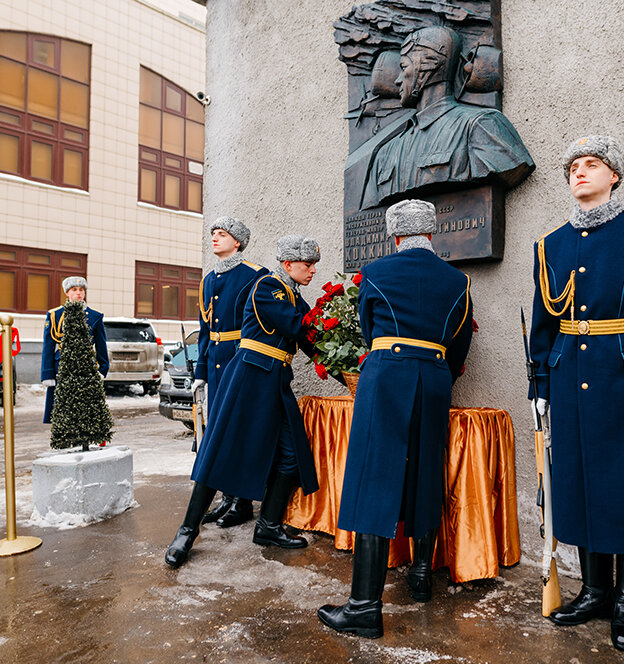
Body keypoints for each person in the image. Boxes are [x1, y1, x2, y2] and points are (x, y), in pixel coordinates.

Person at [528, 135, 624, 651]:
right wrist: (540, 385)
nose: (579, 172)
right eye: (572, 166)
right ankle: (593, 590)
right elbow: (546, 324)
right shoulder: (549, 243)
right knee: (580, 481)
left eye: (591, 165)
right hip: (570, 377)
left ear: (613, 175)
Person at [318, 199, 473, 639]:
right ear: (432, 232)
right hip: (436, 377)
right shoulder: (457, 279)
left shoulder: (377, 272)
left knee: (374, 478)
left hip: (387, 373)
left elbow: (370, 330)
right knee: (425, 470)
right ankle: (421, 577)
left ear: (395, 233)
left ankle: (365, 607)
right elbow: (459, 344)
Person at [165, 235, 321, 568]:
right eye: (307, 265)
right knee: (220, 451)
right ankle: (187, 532)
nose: (312, 272)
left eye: (313, 266)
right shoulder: (268, 286)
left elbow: (312, 339)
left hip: (275, 379)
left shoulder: (294, 295)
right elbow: (298, 327)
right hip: (249, 377)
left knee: (292, 456)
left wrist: (351, 366)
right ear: (289, 264)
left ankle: (267, 526)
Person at [359, 26, 533, 210]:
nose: (397, 80)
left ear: (427, 67)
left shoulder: (481, 126)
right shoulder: (386, 153)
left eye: (403, 68)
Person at [193, 216, 268, 529]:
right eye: (213, 233)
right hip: (215, 363)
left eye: (221, 234)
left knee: (240, 430)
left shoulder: (254, 275)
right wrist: (200, 370)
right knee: (217, 431)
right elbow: (204, 330)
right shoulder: (208, 280)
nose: (214, 238)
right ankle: (226, 498)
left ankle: (242, 502)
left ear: (237, 242)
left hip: (241, 361)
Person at [41, 277, 110, 424]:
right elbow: (48, 346)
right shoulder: (55, 315)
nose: (78, 293)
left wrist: (102, 369)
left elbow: (101, 345)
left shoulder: (95, 316)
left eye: (81, 290)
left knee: (85, 412)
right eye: (74, 290)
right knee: (61, 411)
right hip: (61, 367)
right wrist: (47, 374)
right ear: (67, 293)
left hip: (86, 367)